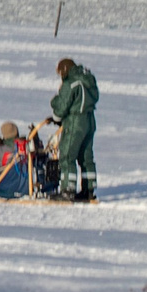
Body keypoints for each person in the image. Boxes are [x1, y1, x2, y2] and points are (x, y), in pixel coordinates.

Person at [49, 57, 99, 201]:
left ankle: (67, 190)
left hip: (75, 121)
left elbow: (62, 106)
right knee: (86, 156)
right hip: (90, 120)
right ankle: (89, 190)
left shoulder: (71, 83)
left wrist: (56, 115)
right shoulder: (88, 80)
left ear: (64, 70)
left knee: (67, 155)